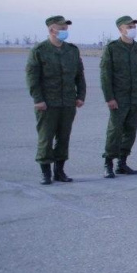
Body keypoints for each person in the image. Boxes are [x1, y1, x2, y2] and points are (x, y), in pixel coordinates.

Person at [26, 15, 85, 185]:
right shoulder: (39, 51)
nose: (65, 31)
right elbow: (32, 78)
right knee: (46, 137)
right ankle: (45, 172)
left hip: (67, 102)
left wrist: (80, 95)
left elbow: (79, 76)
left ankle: (59, 171)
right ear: (51, 30)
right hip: (47, 103)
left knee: (64, 137)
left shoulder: (72, 50)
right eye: (62, 28)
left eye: (66, 28)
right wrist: (38, 99)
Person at [100, 16, 137, 178]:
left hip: (135, 98)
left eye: (133, 25)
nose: (132, 28)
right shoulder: (112, 49)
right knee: (115, 131)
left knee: (130, 131)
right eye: (129, 26)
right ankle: (108, 162)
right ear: (120, 29)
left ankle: (122, 163)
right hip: (119, 98)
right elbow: (106, 76)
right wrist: (110, 98)